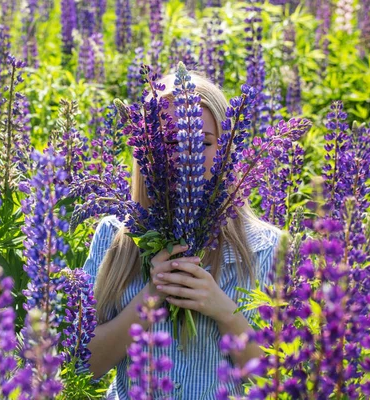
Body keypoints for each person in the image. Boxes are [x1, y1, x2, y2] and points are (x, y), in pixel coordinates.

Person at [80, 71, 283, 399]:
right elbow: (84, 366)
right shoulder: (115, 237)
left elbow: (280, 379)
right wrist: (150, 296)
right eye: (172, 143)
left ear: (226, 150)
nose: (187, 154)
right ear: (148, 152)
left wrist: (223, 310)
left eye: (202, 142)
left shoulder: (265, 246)